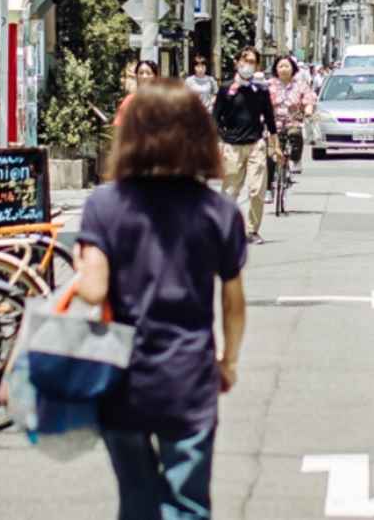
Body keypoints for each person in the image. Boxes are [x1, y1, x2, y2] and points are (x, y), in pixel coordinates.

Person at [74, 78, 248, 520]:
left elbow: (92, 290)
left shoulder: (105, 205)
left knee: (136, 499)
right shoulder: (219, 213)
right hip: (189, 374)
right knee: (187, 502)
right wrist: (227, 362)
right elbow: (233, 301)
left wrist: (83, 259)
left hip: (123, 376)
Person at [214, 48, 279, 245]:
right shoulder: (226, 89)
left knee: (256, 190)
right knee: (230, 191)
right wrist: (220, 139)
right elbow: (215, 118)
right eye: (245, 60)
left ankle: (252, 230)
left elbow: (269, 118)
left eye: (252, 62)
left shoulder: (260, 90)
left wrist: (274, 146)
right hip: (232, 146)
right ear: (237, 62)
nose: (248, 65)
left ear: (257, 66)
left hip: (256, 144)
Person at [268, 55, 316, 177]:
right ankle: (269, 189)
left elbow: (308, 99)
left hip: (293, 121)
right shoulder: (269, 85)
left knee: (295, 134)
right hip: (273, 124)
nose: (283, 69)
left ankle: (296, 159)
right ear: (276, 69)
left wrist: (308, 110)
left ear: (292, 68)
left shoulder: (300, 84)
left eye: (286, 66)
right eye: (280, 66)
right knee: (270, 156)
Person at [114, 58, 159, 126]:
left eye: (148, 73)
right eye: (141, 73)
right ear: (136, 76)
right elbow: (118, 125)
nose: (144, 76)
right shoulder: (129, 101)